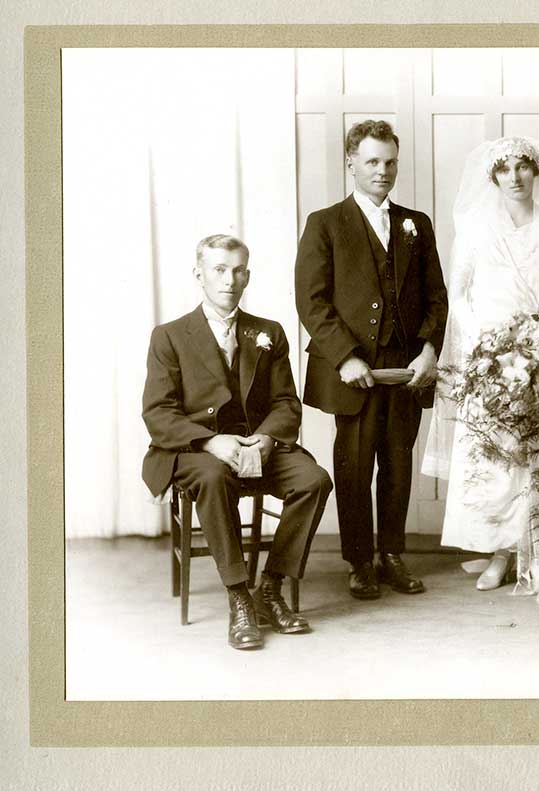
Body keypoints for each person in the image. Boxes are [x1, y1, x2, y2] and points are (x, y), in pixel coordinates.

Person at [422, 136, 539, 602]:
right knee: (496, 453)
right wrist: (486, 344)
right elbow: (459, 292)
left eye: (523, 168)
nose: (515, 177)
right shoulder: (475, 227)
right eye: (505, 170)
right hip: (491, 355)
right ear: (493, 178)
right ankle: (499, 551)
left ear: (535, 173)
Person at [141, 234, 333, 650]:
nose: (230, 279)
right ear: (199, 274)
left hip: (258, 445)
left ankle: (271, 587)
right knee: (213, 478)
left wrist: (264, 439)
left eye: (238, 270)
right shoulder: (170, 336)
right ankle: (238, 595)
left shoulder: (268, 332)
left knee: (314, 480)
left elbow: (286, 402)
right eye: (219, 269)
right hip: (196, 450)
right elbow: (158, 412)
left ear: (248, 275)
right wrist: (211, 443)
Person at [295, 120, 448, 601]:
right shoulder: (325, 223)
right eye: (372, 162)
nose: (383, 171)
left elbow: (436, 297)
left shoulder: (415, 224)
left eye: (390, 162)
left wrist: (428, 350)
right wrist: (344, 357)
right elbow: (311, 300)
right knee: (356, 466)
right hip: (355, 371)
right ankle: (360, 561)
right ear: (351, 163)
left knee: (398, 465)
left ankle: (391, 555)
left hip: (404, 370)